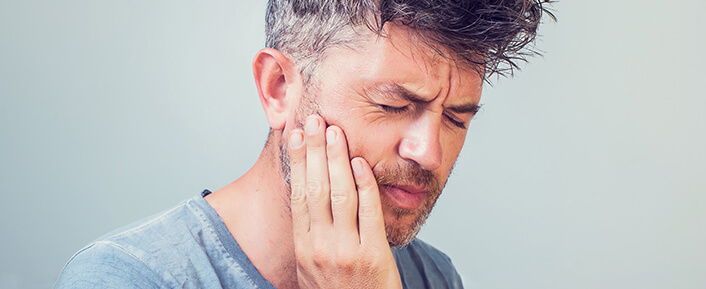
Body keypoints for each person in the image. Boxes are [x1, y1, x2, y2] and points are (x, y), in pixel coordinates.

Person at [55, 0, 552, 288]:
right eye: (394, 106)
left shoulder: (433, 276)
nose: (430, 152)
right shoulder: (127, 278)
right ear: (278, 88)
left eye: (456, 119)